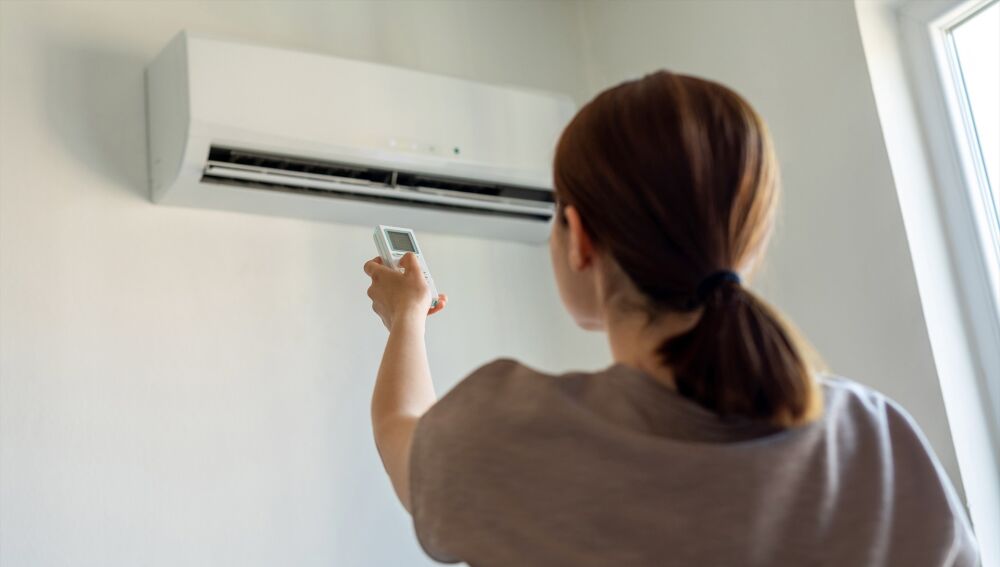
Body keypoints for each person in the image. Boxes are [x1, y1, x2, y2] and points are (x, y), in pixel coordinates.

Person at [361, 70, 978, 566]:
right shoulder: (876, 439)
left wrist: (407, 317)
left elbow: (400, 432)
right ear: (748, 239)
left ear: (579, 238)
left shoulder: (513, 435)